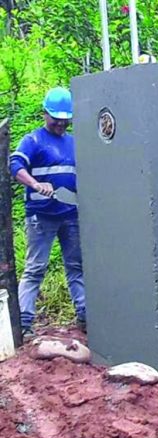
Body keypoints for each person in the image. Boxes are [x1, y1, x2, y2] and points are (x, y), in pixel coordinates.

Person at [8, 87, 85, 339]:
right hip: (41, 215)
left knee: (76, 266)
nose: (61, 123)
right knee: (35, 268)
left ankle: (84, 315)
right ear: (45, 114)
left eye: (65, 119)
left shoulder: (73, 142)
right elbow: (15, 165)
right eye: (56, 118)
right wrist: (35, 184)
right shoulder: (33, 140)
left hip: (70, 214)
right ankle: (25, 323)